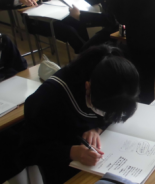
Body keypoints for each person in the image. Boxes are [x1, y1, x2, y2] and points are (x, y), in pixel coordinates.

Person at [17, 45, 139, 184]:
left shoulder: (116, 76)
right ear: (88, 87)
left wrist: (97, 129)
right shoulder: (47, 99)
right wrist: (72, 152)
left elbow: (110, 115)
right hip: (64, 167)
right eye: (101, 110)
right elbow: (28, 151)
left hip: (94, 163)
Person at [0, 0, 89, 55]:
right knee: (69, 30)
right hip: (33, 21)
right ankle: (86, 54)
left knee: (78, 20)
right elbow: (3, 0)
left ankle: (89, 51)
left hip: (50, 12)